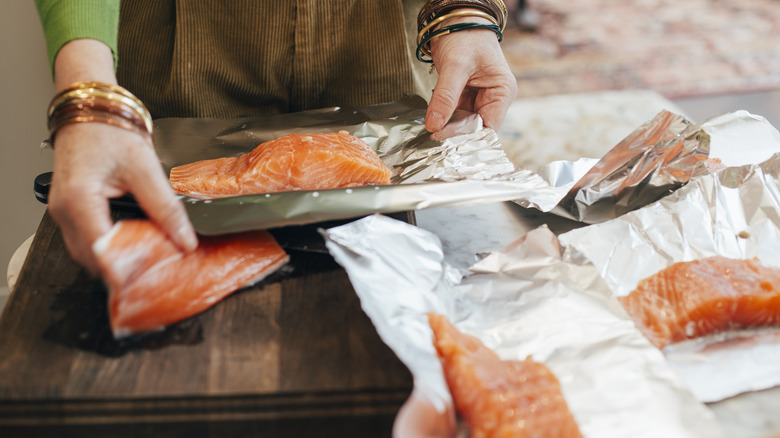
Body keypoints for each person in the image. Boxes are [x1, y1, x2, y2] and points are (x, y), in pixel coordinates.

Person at [35, 0, 518, 274]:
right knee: (164, 257)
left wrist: (464, 11)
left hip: (376, 34)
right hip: (179, 42)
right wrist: (88, 92)